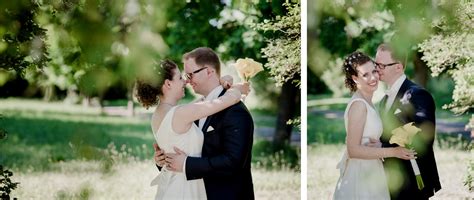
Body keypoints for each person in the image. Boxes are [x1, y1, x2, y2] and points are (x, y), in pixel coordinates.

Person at [135, 59, 250, 200]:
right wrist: (236, 89)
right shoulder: (181, 114)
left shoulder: (160, 113)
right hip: (185, 189)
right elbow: (225, 100)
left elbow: (205, 101)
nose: (185, 82)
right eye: (179, 77)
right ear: (168, 83)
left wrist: (224, 81)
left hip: (172, 186)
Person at [333, 51, 416, 200]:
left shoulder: (369, 102)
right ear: (355, 78)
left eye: (374, 71)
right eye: (365, 75)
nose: (373, 78)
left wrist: (380, 143)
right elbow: (353, 150)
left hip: (373, 170)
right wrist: (394, 152)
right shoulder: (358, 105)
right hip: (360, 174)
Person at [371, 43, 441, 199]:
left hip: (413, 179)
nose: (377, 69)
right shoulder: (383, 100)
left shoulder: (418, 94)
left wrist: (383, 146)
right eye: (376, 64)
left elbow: (423, 130)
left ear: (398, 67)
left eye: (382, 65)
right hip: (391, 179)